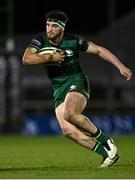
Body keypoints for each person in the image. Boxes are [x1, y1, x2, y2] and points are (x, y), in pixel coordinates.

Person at [22, 10, 132, 167]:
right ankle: (108, 154)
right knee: (68, 131)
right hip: (58, 88)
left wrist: (120, 66)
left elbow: (100, 50)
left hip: (76, 81)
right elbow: (26, 59)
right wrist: (49, 57)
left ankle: (106, 140)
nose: (49, 29)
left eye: (54, 26)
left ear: (62, 28)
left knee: (70, 114)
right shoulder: (40, 40)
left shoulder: (73, 41)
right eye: (47, 25)